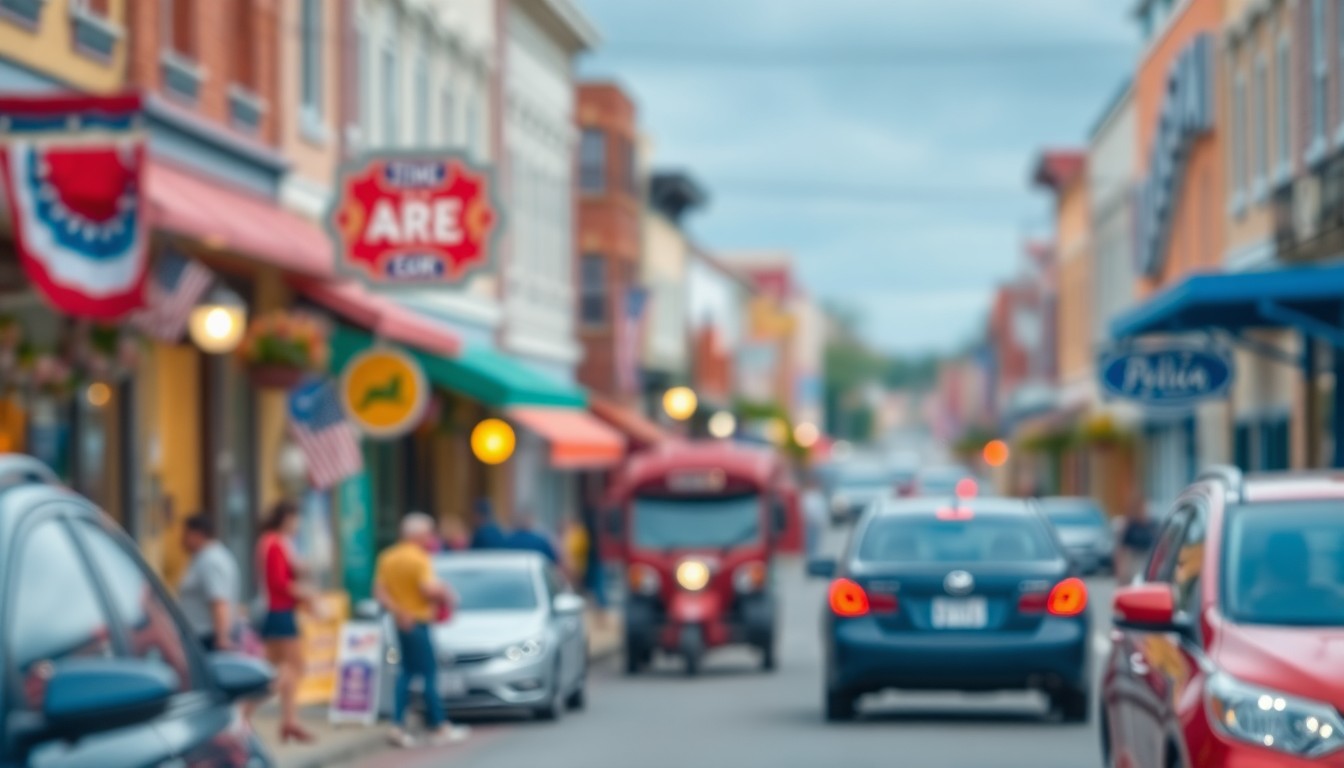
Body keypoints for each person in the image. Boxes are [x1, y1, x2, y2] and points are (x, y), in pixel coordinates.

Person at [375, 513, 470, 749]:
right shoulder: (419, 558)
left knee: (405, 673)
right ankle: (439, 725)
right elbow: (428, 589)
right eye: (428, 533)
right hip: (418, 620)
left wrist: (398, 611)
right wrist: (446, 594)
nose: (431, 537)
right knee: (428, 673)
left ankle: (397, 725)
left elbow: (380, 591)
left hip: (401, 621)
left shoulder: (388, 557)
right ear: (416, 535)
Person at [256, 501, 313, 744]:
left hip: (279, 610)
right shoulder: (275, 543)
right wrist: (308, 595)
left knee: (279, 667)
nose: (298, 524)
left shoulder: (273, 542)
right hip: (280, 611)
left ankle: (290, 721)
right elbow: (279, 583)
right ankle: (245, 710)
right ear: (286, 518)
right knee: (289, 668)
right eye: (295, 519)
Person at [179, 513, 241, 653]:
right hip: (202, 635)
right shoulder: (204, 557)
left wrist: (222, 639)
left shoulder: (211, 560)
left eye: (186, 534)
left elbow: (219, 601)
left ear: (198, 534)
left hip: (208, 637)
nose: (182, 539)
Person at [801, 477, 827, 560]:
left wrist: (821, 521)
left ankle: (814, 557)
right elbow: (804, 509)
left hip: (816, 523)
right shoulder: (807, 496)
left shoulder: (818, 496)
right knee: (809, 542)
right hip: (808, 523)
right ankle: (809, 557)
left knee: (815, 542)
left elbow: (822, 510)